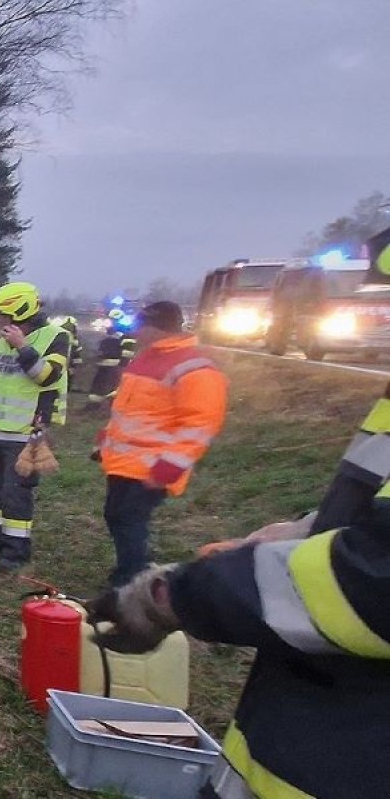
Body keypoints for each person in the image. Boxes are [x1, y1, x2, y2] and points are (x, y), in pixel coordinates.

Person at [87, 384, 390, 798]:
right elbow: (369, 518)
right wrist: (305, 531)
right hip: (309, 736)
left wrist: (167, 597)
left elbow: (364, 581)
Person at [94, 301, 228, 587]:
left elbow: (200, 424)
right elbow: (129, 408)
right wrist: (106, 439)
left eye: (139, 328)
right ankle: (132, 569)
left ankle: (133, 578)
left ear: (154, 328)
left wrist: (171, 466)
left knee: (129, 519)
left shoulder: (194, 367)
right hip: (125, 461)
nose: (136, 334)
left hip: (153, 465)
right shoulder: (146, 358)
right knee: (117, 515)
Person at [0, 281, 71, 570]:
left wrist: (23, 347)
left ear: (18, 311)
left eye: (2, 313)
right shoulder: (4, 339)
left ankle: (15, 549)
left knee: (17, 492)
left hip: (24, 432)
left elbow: (47, 377)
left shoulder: (55, 337)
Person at [86, 308, 136, 409]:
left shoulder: (126, 333)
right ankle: (93, 406)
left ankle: (112, 408)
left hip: (116, 367)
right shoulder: (108, 334)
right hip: (104, 365)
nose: (111, 322)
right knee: (98, 387)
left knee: (114, 389)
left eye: (113, 320)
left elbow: (128, 352)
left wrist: (122, 366)